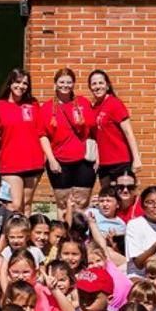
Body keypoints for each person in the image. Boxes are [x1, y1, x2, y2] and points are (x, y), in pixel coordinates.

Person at [38, 68, 97, 217]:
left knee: (82, 202)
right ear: (55, 84)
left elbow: (93, 131)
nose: (65, 85)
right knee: (63, 204)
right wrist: (51, 159)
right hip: (59, 161)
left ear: (74, 84)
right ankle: (63, 231)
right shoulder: (46, 107)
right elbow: (42, 135)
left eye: (69, 82)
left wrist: (98, 157)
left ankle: (80, 231)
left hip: (84, 160)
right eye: (62, 82)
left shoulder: (83, 102)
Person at [0, 69, 43, 215]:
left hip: (33, 160)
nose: (21, 86)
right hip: (10, 161)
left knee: (27, 204)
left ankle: (26, 230)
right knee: (15, 205)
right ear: (10, 83)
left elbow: (40, 131)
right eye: (17, 82)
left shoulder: (33, 104)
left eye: (25, 83)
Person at [87, 69, 142, 185]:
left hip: (120, 161)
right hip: (103, 164)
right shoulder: (94, 108)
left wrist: (136, 159)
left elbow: (128, 132)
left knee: (123, 194)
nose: (97, 87)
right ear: (90, 87)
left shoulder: (114, 103)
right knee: (107, 195)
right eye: (94, 84)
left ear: (107, 86)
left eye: (101, 83)